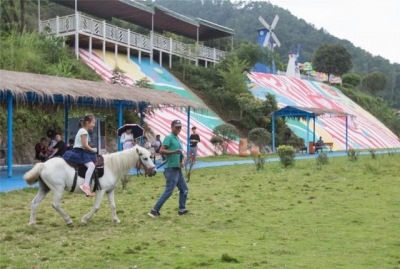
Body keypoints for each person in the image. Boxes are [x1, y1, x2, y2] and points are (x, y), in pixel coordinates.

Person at [148, 119, 189, 218]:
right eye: (176, 127)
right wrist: (174, 151)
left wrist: (182, 161)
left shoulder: (178, 139)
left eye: (180, 127)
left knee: (184, 189)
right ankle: (154, 211)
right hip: (170, 169)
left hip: (177, 169)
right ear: (172, 127)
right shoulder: (169, 138)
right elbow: (161, 151)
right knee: (169, 191)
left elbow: (181, 153)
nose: (178, 129)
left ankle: (182, 210)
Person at [63, 114, 97, 197]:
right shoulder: (84, 132)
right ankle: (85, 185)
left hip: (78, 151)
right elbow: (85, 145)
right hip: (80, 152)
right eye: (93, 123)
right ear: (87, 122)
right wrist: (93, 150)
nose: (94, 125)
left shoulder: (81, 130)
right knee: (91, 166)